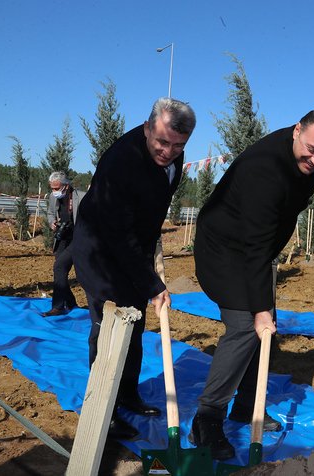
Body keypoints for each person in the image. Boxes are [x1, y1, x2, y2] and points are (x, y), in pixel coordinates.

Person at [190, 110, 314, 460]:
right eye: (312, 150)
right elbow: (255, 246)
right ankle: (207, 417)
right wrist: (260, 307)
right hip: (224, 249)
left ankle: (247, 406)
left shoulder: (310, 162)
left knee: (266, 329)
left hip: (256, 248)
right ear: (297, 130)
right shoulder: (264, 170)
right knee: (246, 326)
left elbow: (272, 231)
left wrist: (264, 309)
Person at [71, 97, 195, 440]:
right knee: (110, 329)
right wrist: (153, 285)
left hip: (133, 250)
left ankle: (126, 393)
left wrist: (150, 248)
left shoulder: (173, 151)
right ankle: (103, 411)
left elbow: (152, 204)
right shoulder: (121, 163)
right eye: (162, 142)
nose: (169, 152)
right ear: (146, 128)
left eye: (178, 146)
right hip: (100, 252)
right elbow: (117, 233)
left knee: (135, 324)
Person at [41, 171, 83, 317]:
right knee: (60, 272)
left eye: (56, 188)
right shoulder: (53, 197)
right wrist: (52, 222)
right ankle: (70, 303)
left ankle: (58, 307)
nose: (54, 191)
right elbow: (50, 213)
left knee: (60, 267)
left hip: (77, 239)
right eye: (52, 188)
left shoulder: (81, 197)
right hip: (62, 238)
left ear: (66, 186)